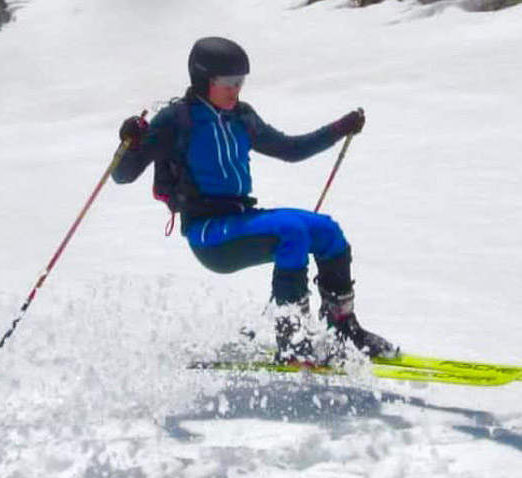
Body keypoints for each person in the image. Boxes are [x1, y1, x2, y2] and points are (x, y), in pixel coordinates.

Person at [113, 36, 395, 361]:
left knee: (326, 230)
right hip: (208, 232)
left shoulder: (241, 118)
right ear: (205, 79)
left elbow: (291, 150)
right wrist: (129, 143)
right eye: (229, 82)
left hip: (240, 217)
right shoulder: (178, 120)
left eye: (241, 82)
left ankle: (342, 328)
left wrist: (338, 128)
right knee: (291, 230)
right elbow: (123, 175)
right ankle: (292, 340)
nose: (236, 90)